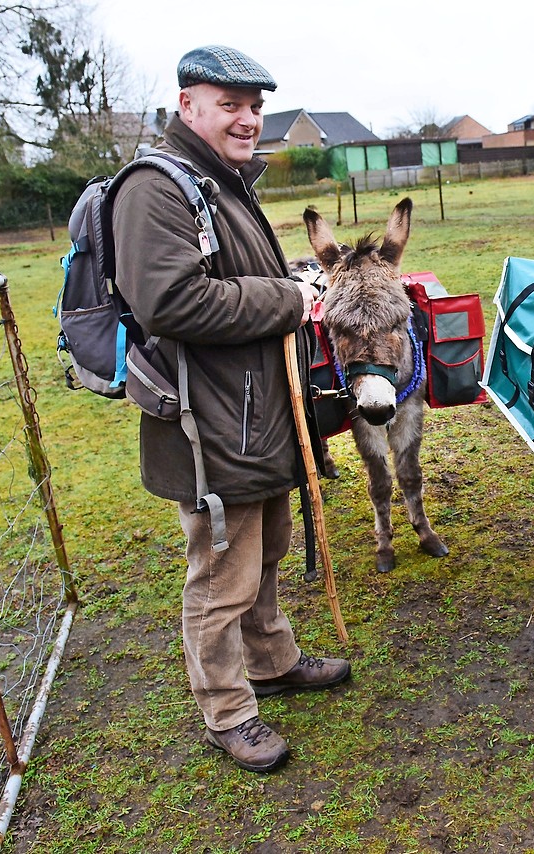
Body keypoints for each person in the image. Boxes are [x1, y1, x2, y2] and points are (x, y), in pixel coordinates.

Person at [112, 45, 350, 772]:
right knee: (221, 577)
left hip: (254, 416)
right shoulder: (156, 188)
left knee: (266, 551)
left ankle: (273, 662)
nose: (248, 120)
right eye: (230, 105)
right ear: (188, 107)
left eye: (254, 106)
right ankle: (227, 710)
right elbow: (171, 300)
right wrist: (290, 298)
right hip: (207, 426)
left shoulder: (223, 183)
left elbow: (237, 276)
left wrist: (292, 280)